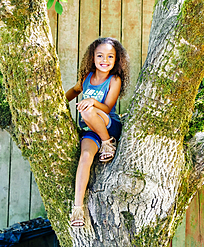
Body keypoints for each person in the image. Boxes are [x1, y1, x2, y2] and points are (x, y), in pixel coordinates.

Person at [66, 37, 129, 228]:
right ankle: (77, 208)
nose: (105, 60)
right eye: (100, 55)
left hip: (108, 125)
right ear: (92, 58)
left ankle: (108, 142)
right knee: (85, 157)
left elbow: (108, 107)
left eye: (110, 56)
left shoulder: (114, 79)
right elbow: (75, 90)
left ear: (116, 59)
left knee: (88, 111)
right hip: (90, 130)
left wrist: (92, 103)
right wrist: (59, 102)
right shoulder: (86, 78)